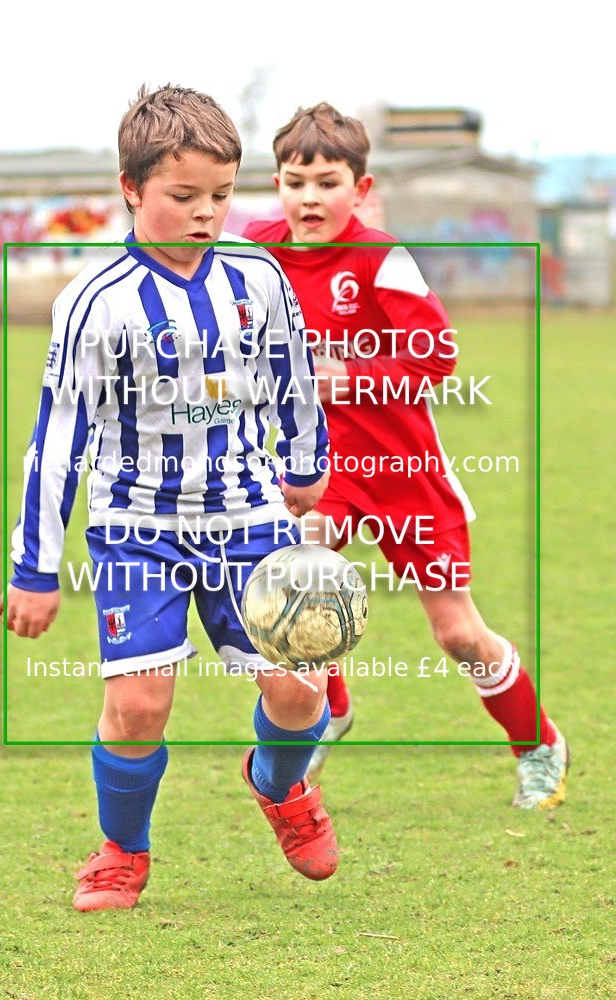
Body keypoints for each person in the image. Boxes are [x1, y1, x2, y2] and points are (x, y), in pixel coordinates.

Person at [0, 85, 339, 912]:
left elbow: (291, 375)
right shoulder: (94, 301)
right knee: (140, 702)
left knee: (302, 692)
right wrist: (35, 569)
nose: (205, 214)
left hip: (249, 518)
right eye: (183, 197)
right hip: (136, 529)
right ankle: (123, 851)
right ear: (131, 187)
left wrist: (304, 465)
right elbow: (58, 440)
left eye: (220, 196)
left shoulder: (259, 276)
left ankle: (281, 786)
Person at [244, 102, 569, 808]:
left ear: (359, 190)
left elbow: (438, 357)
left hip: (404, 473)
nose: (309, 198)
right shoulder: (255, 251)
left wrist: (348, 374)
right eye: (295, 182)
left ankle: (537, 743)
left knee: (457, 633)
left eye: (327, 182)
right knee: (287, 588)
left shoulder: (380, 257)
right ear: (276, 184)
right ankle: (330, 708)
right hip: (320, 473)